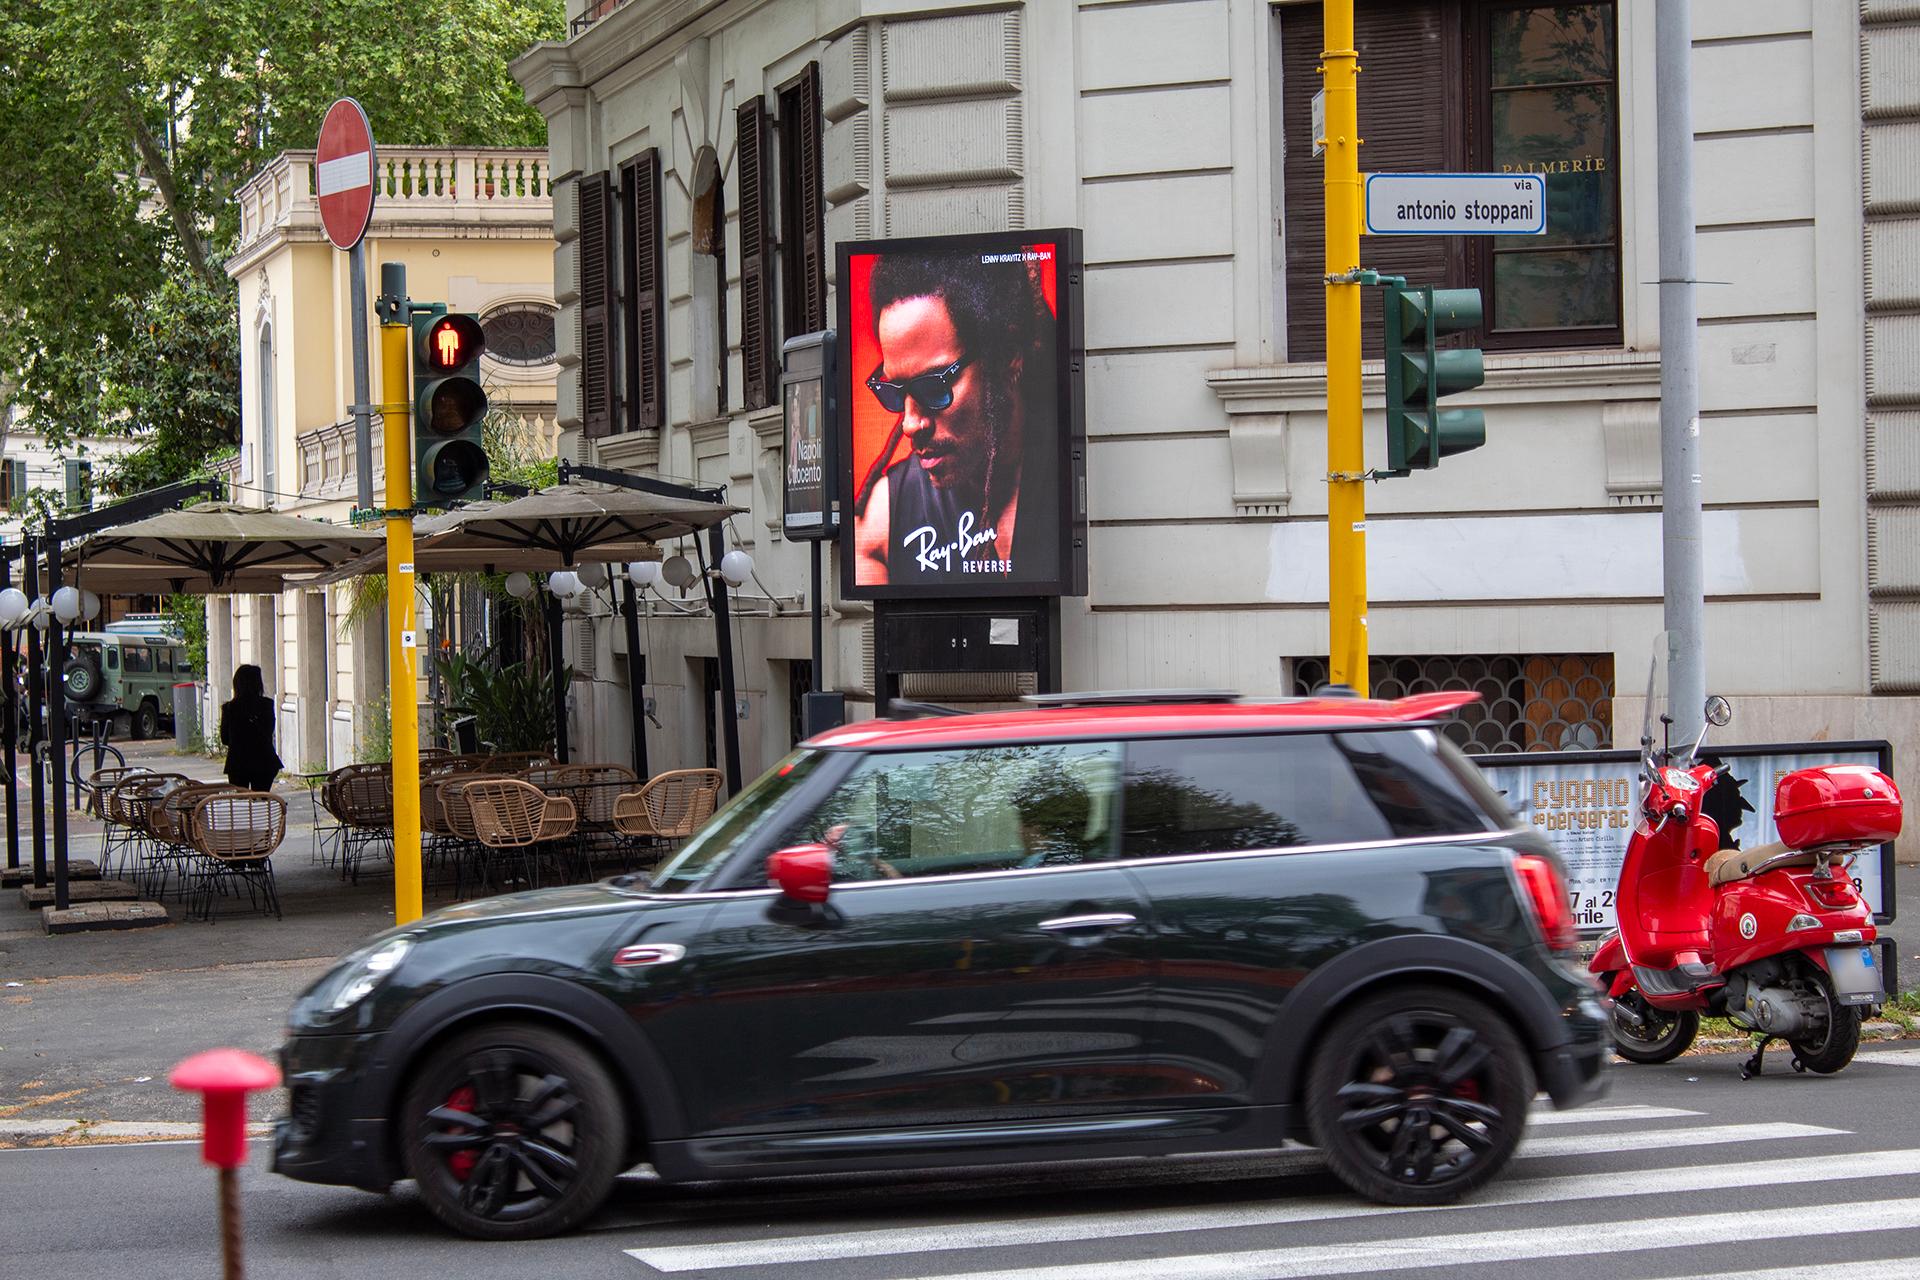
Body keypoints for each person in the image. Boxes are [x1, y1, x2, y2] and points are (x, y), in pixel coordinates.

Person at [852, 250, 1058, 586]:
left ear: (1007, 358)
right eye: (895, 391)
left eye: (934, 387)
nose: (909, 424)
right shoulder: (881, 523)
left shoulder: (1071, 479)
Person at [220, 663, 281, 793]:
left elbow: (224, 739)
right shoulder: (266, 705)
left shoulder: (229, 708)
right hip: (264, 760)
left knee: (241, 804)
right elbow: (269, 730)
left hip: (238, 762)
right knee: (262, 801)